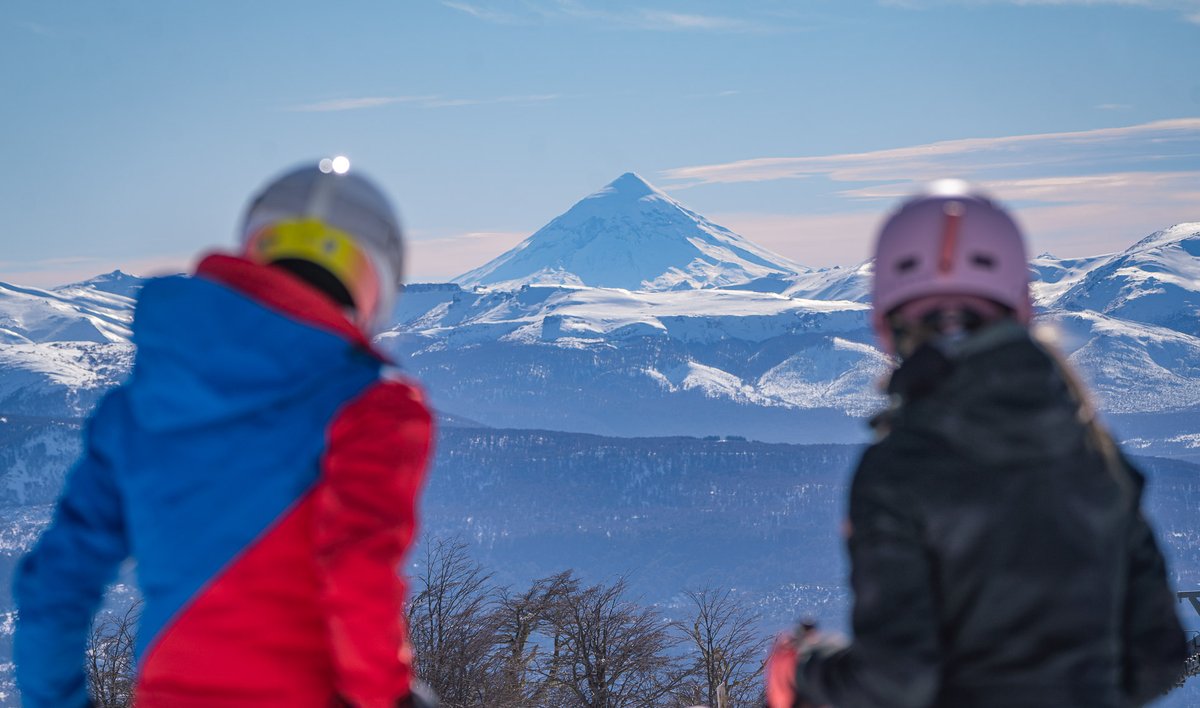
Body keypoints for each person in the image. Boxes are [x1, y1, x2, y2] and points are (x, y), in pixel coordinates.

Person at [14, 160, 438, 708]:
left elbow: (55, 587)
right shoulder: (373, 404)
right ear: (374, 279)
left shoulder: (140, 404)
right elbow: (358, 574)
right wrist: (387, 697)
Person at [766, 181, 1186, 708]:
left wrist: (803, 670)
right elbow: (1158, 656)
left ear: (885, 322)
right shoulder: (1095, 456)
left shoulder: (900, 468)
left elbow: (897, 680)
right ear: (1019, 308)